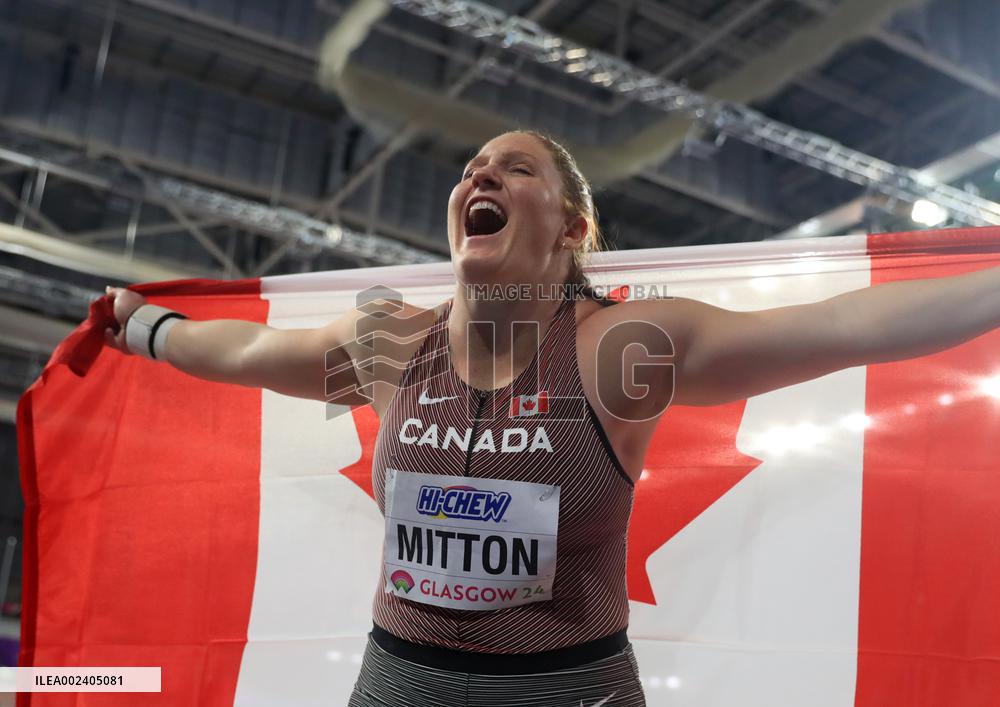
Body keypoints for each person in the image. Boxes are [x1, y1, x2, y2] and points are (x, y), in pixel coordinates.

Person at [103, 130, 1000, 706]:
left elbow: (845, 325)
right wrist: (142, 326)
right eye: (469, 171)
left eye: (512, 167)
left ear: (570, 227)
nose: (478, 174)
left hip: (567, 690)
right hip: (397, 681)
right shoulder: (387, 346)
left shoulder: (622, 352)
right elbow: (247, 355)